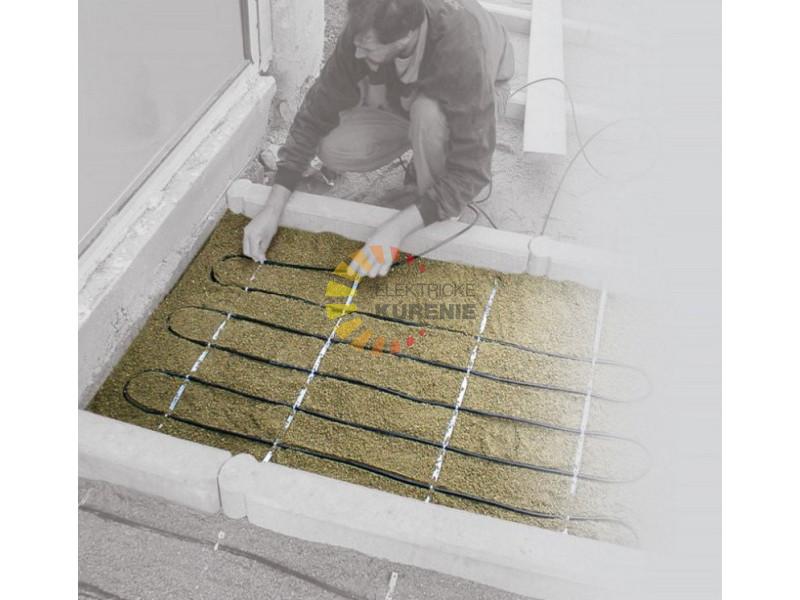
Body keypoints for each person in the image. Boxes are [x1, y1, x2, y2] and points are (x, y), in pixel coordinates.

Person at [243, 0, 514, 277]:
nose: (357, 53)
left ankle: (436, 207)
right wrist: (272, 209)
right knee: (331, 145)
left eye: (369, 48)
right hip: (410, 93)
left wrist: (393, 230)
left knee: (428, 114)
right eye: (358, 44)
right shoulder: (367, 27)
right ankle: (422, 153)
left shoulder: (460, 47)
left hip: (482, 91)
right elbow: (314, 114)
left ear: (405, 36)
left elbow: (472, 169)